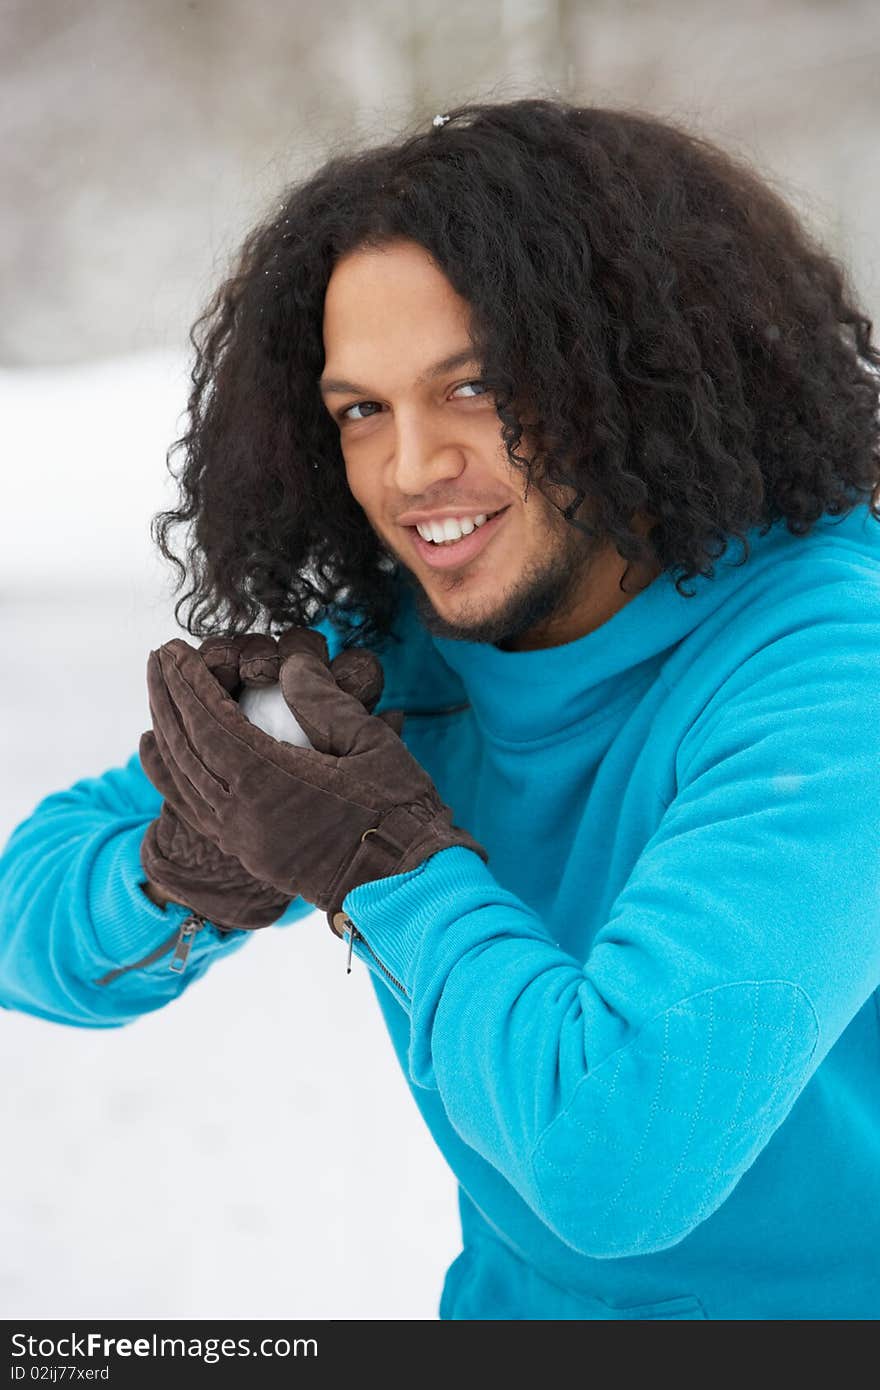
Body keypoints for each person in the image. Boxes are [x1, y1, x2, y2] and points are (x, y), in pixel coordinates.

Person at [2, 97, 879, 1321]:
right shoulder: (399, 657)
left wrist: (384, 862)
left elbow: (615, 1159)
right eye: (362, 409)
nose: (410, 468)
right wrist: (184, 865)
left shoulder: (834, 661)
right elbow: (21, 917)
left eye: (473, 388)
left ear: (635, 376)